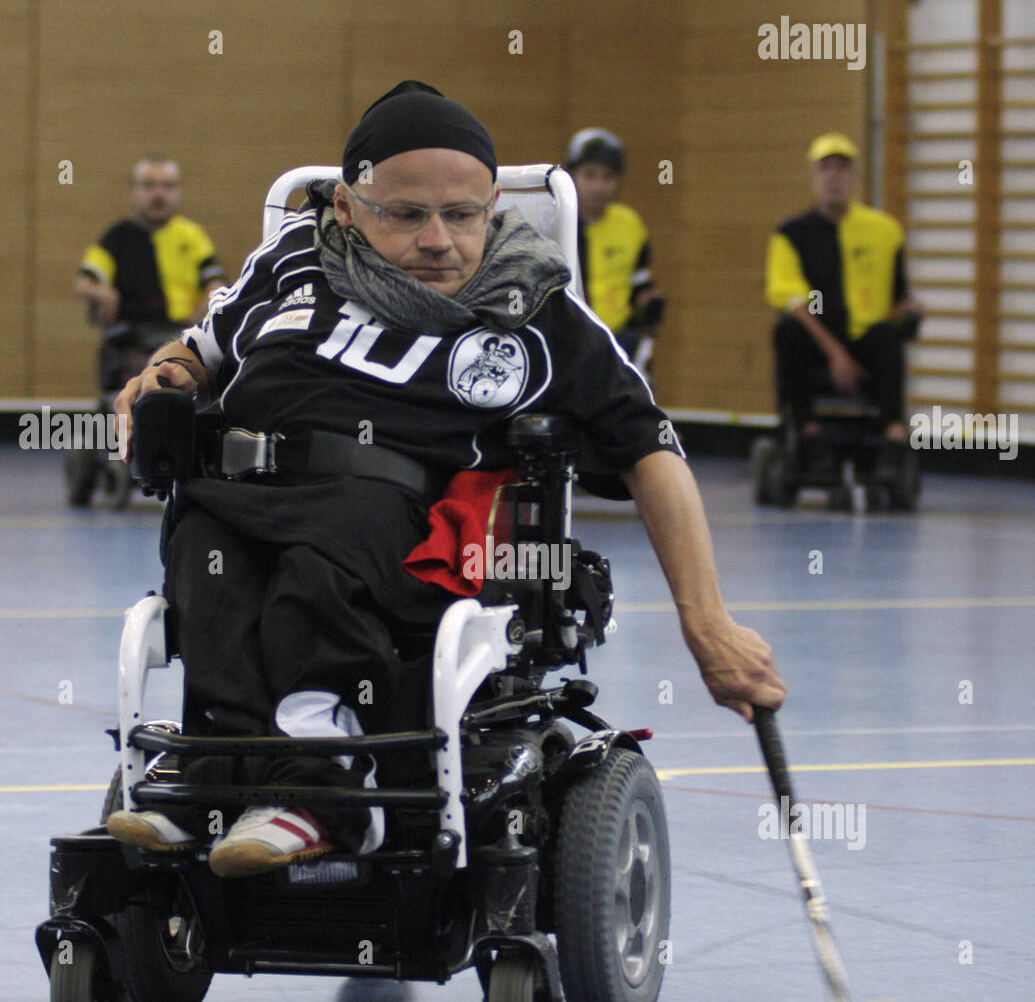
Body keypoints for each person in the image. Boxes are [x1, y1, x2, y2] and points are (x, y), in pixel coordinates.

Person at [107, 81, 785, 878]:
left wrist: (707, 625)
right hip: (235, 490)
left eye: (461, 215)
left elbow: (653, 451)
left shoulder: (536, 310)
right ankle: (216, 778)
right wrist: (162, 373)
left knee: (312, 574)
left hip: (382, 506)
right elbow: (200, 346)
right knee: (207, 569)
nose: (438, 240)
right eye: (407, 214)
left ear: (492, 204)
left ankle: (329, 792)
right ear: (349, 207)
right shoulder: (294, 255)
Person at [765, 133, 923, 472]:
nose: (834, 176)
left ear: (854, 177)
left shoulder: (884, 231)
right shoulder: (792, 233)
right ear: (814, 176)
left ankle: (893, 435)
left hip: (865, 335)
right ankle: (808, 430)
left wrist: (910, 309)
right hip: (820, 336)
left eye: (842, 168)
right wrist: (837, 356)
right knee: (788, 331)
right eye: (826, 168)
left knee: (887, 337)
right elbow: (794, 300)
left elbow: (898, 296)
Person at [75, 158, 226, 391]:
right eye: (148, 185)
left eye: (167, 186)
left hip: (180, 338)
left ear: (178, 192)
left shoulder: (192, 236)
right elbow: (84, 283)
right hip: (132, 342)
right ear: (134, 191)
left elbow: (214, 283)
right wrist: (103, 293)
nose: (158, 194)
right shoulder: (117, 238)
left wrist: (202, 313)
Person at [565, 128, 664, 372]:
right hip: (568, 345)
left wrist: (650, 303)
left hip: (619, 343)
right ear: (571, 176)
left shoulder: (629, 224)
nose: (598, 186)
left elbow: (639, 281)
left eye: (607, 177)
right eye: (589, 175)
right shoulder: (555, 223)